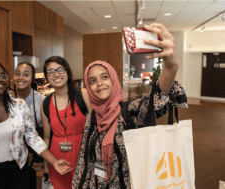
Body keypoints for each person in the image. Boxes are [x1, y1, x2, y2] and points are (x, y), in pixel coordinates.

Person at [72, 23, 188, 188]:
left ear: (113, 79)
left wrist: (170, 67)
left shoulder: (128, 111)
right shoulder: (92, 117)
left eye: (104, 77)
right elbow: (85, 157)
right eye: (92, 80)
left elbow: (153, 102)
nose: (99, 83)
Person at [0, 60, 71, 189]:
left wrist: (54, 162)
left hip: (19, 170)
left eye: (3, 76)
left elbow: (33, 138)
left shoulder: (19, 105)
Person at [41, 56, 92, 189]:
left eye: (60, 69)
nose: (56, 74)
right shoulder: (45, 104)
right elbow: (46, 138)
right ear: (46, 77)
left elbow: (98, 129)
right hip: (57, 162)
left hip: (84, 157)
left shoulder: (83, 95)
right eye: (50, 71)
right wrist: (46, 166)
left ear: (67, 72)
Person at [12, 62, 45, 189]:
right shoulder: (6, 97)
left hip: (33, 153)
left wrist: (40, 158)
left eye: (26, 74)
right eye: (17, 74)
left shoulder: (40, 99)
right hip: (12, 152)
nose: (21, 77)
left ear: (32, 78)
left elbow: (44, 132)